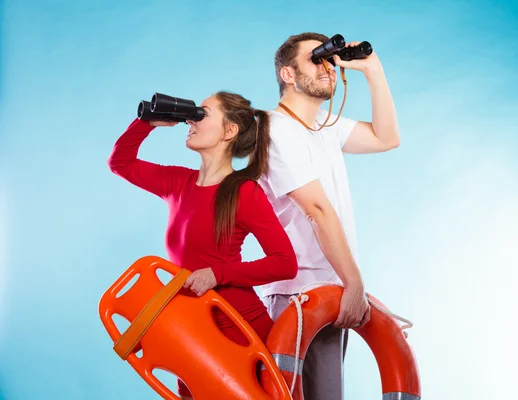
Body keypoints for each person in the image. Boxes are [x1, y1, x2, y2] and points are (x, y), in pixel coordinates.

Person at [107, 91, 298, 400]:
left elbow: (285, 262)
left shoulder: (244, 192)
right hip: (192, 332)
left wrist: (218, 274)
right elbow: (120, 162)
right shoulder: (177, 183)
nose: (191, 121)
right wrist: (146, 122)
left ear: (229, 131)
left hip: (239, 329)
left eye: (202, 114)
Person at [257, 32, 401, 399]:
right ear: (288, 75)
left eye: (328, 60)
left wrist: (373, 70)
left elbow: (387, 138)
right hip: (300, 293)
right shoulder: (273, 128)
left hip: (330, 289)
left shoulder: (326, 126)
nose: (327, 68)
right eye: (315, 59)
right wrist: (355, 284)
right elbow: (317, 210)